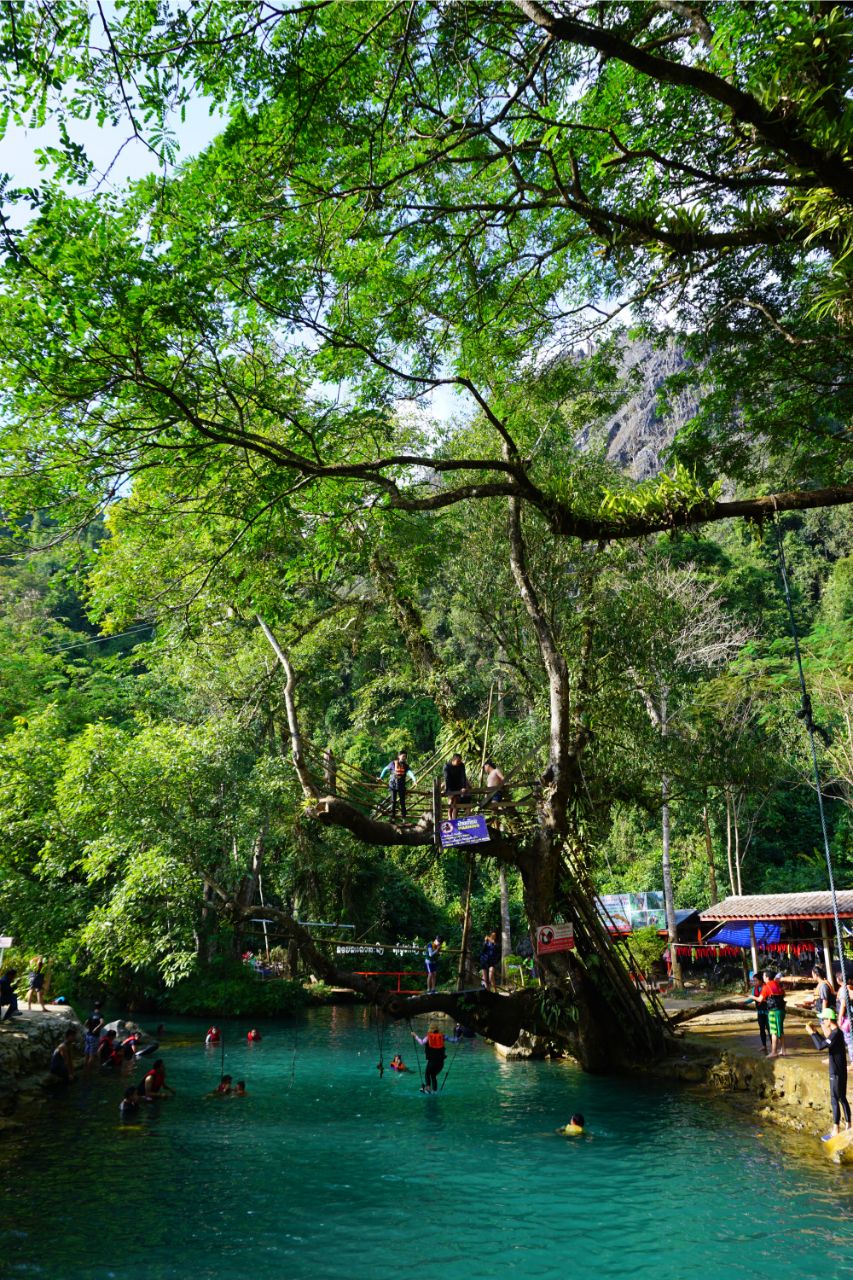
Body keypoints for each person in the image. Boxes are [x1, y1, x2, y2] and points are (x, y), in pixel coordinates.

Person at [805, 1008, 852, 1141]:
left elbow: (820, 1046)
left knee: (834, 1099)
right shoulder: (837, 1033)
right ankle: (849, 1125)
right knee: (842, 1097)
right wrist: (815, 1032)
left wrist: (811, 1034)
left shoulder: (835, 1033)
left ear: (828, 1020)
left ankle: (835, 1130)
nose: (822, 1022)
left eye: (823, 1019)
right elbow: (825, 1043)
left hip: (836, 1071)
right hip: (840, 1070)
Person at [379, 751, 417, 822]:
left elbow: (410, 773)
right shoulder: (393, 763)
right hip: (393, 785)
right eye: (403, 756)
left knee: (402, 802)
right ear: (399, 756)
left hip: (401, 785)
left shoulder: (406, 766)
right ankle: (392, 818)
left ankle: (404, 818)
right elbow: (385, 769)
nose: (404, 758)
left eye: (405, 757)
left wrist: (414, 780)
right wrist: (381, 777)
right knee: (393, 801)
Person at [757, 969, 786, 1057]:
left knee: (773, 1032)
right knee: (780, 1031)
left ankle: (774, 1052)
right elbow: (783, 994)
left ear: (767, 977)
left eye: (763, 976)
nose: (763, 977)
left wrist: (752, 997)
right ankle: (783, 1050)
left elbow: (760, 999)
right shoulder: (778, 984)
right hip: (781, 1010)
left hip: (773, 1011)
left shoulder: (766, 987)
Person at [411, 1024, 446, 1093]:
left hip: (432, 1061)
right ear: (437, 1029)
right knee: (433, 1075)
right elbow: (454, 1040)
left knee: (427, 1073)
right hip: (440, 1062)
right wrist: (459, 1038)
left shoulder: (428, 1037)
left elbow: (421, 1042)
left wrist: (415, 1036)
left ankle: (428, 1088)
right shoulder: (442, 1036)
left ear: (430, 1029)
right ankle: (435, 1091)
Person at [746, 971, 770, 1055]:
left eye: (756, 980)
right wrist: (744, 1002)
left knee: (769, 1029)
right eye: (754, 981)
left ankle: (774, 1046)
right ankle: (764, 1046)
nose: (754, 982)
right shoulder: (754, 989)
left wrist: (754, 997)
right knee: (761, 1029)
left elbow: (758, 998)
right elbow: (752, 999)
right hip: (760, 1012)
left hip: (767, 1011)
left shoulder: (766, 987)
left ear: (761, 980)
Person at [442, 754, 469, 820]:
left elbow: (463, 776)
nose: (459, 762)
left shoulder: (461, 765)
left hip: (459, 785)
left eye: (460, 761)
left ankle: (454, 818)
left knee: (456, 801)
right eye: (458, 761)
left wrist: (463, 787)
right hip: (450, 784)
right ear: (453, 760)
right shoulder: (447, 766)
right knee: (451, 800)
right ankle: (449, 815)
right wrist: (449, 791)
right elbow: (447, 778)